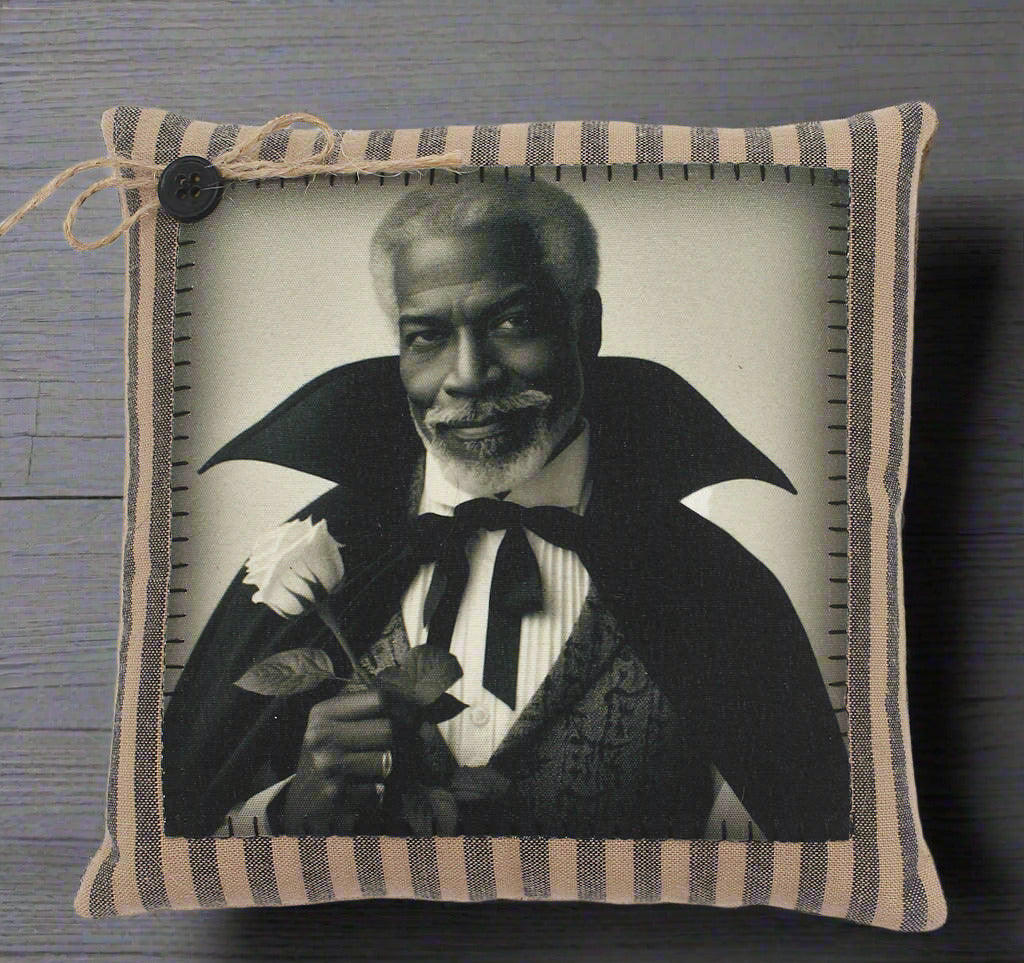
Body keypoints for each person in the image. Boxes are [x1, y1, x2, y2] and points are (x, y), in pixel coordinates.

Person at [162, 177, 851, 841]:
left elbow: (792, 849)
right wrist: (287, 813)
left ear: (587, 326)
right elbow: (178, 837)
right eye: (426, 336)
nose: (467, 376)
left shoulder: (713, 584)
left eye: (514, 321)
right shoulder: (320, 554)